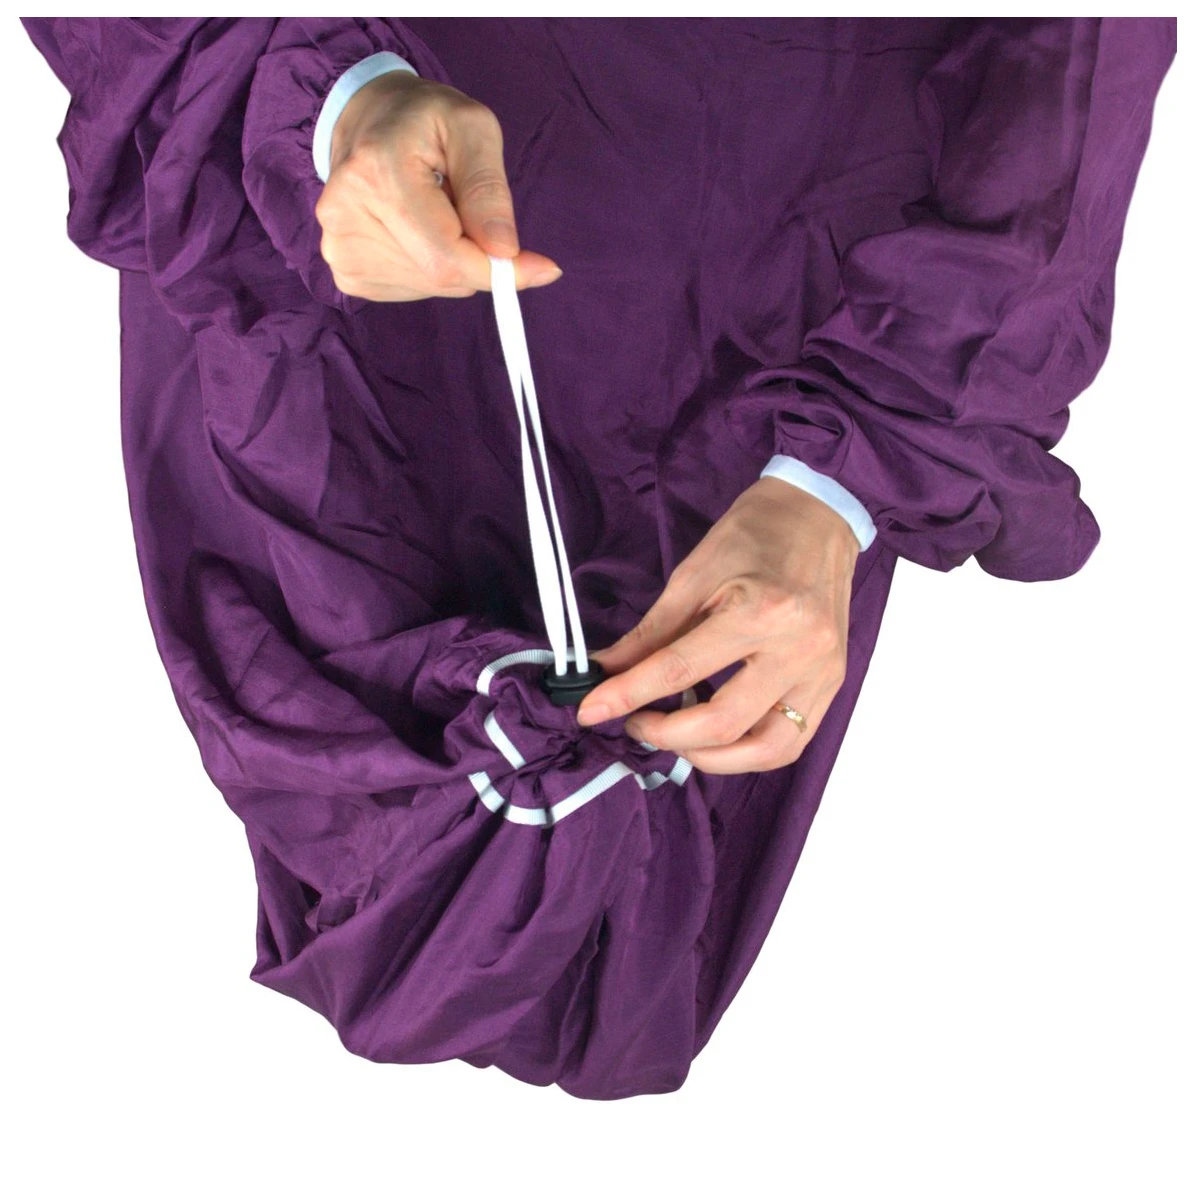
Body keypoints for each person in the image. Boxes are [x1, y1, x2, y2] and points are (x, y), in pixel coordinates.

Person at [22, 17, 1177, 1099]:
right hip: (332, 244)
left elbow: (1075, 44)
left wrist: (842, 473)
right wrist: (324, 96)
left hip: (779, 278)